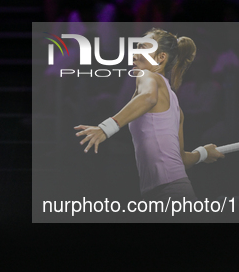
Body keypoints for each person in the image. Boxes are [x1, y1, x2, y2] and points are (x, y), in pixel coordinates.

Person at [74, 28, 224, 202]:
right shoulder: (175, 105)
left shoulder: (148, 76)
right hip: (168, 190)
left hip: (169, 193)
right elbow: (182, 159)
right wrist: (203, 153)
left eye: (143, 48)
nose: (135, 54)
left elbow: (148, 97)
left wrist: (106, 128)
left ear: (161, 58)